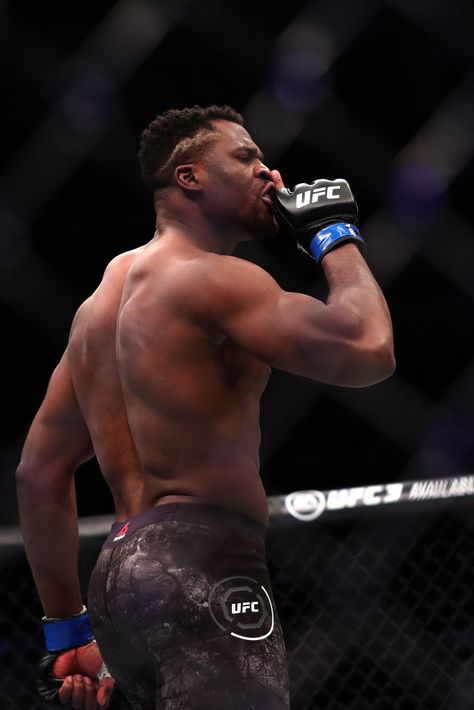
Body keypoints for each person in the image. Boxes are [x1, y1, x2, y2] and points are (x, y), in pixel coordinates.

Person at [16, 104, 395, 710]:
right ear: (189, 177)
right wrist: (334, 236)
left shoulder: (94, 312)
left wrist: (68, 631)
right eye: (246, 158)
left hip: (118, 578)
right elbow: (369, 351)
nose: (270, 174)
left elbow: (38, 475)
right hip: (206, 564)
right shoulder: (217, 278)